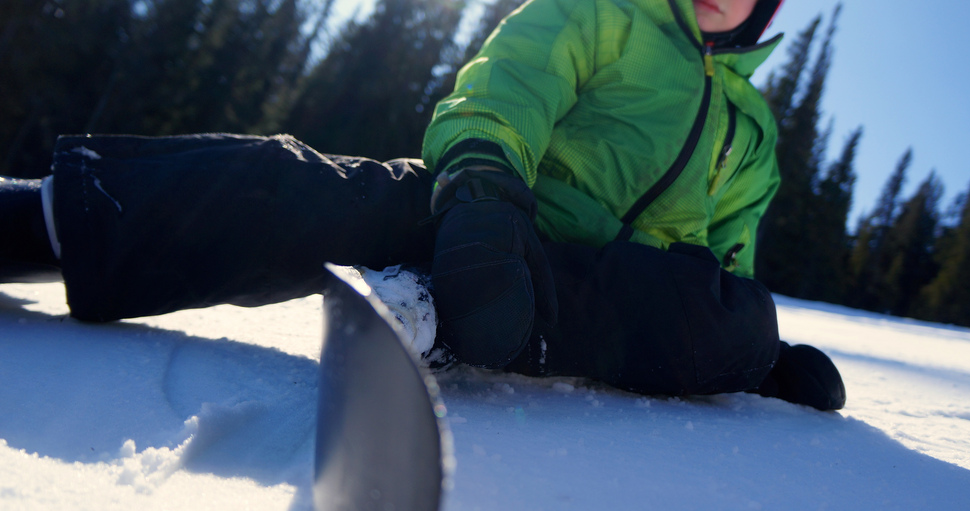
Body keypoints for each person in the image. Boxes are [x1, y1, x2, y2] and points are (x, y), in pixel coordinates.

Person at [0, 0, 845, 410]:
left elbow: (727, 263)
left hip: (603, 295)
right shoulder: (606, 11)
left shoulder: (755, 135)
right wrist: (482, 194)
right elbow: (507, 86)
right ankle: (49, 217)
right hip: (478, 210)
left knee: (737, 321)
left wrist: (756, 359)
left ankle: (431, 313)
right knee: (303, 191)